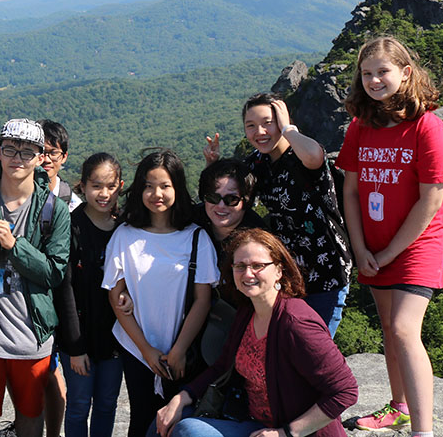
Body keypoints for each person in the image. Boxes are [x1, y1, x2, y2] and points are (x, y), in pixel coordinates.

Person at [337, 36, 443, 437]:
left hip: (416, 244)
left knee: (405, 328)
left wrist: (389, 252)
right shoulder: (360, 126)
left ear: (405, 73)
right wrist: (360, 247)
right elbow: (350, 191)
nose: (373, 80)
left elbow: (432, 199)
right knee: (389, 327)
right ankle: (399, 407)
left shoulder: (427, 126)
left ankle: (424, 431)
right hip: (373, 245)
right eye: (366, 73)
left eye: (382, 72)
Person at [154, 228, 358, 437]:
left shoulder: (296, 323)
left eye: (258, 266)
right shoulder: (248, 311)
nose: (248, 273)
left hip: (292, 432)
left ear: (279, 270)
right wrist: (182, 396)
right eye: (240, 266)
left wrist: (286, 432)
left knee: (189, 431)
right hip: (253, 423)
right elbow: (223, 365)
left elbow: (345, 391)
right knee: (164, 421)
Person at [0, 118, 71, 437]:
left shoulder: (53, 210)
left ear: (39, 158)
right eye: (10, 149)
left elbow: (54, 272)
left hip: (31, 338)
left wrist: (14, 245)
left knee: (31, 417)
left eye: (27, 152)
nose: (17, 158)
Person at [205, 93, 352, 336]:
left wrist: (288, 129)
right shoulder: (257, 163)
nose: (259, 131)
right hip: (287, 274)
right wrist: (213, 165)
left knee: (315, 346)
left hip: (327, 271)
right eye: (250, 126)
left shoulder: (301, 154)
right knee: (287, 345)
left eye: (267, 122)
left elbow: (316, 157)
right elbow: (230, 197)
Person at [102, 150, 219, 437]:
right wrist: (145, 350)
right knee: (141, 418)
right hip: (136, 348)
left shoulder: (196, 237)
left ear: (177, 188)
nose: (157, 193)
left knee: (176, 421)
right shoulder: (125, 235)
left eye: (165, 186)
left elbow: (202, 300)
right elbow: (115, 298)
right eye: (148, 185)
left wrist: (178, 350)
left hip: (183, 349)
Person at [59, 153, 125, 437]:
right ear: (82, 186)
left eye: (110, 186)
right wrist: (75, 348)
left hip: (116, 337)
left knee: (107, 405)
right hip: (79, 338)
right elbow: (65, 291)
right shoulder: (71, 227)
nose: (104, 193)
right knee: (78, 405)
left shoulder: (126, 227)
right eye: (96, 185)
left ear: (120, 185)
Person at [38, 119, 81, 437]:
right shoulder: (19, 197)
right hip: (31, 303)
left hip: (65, 305)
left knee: (55, 376)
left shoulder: (75, 205)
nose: (45, 158)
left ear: (64, 156)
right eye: (39, 151)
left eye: (52, 152)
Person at [193, 160, 264, 302]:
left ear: (246, 201)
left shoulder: (258, 241)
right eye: (213, 197)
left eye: (231, 199)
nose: (220, 206)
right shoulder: (191, 222)